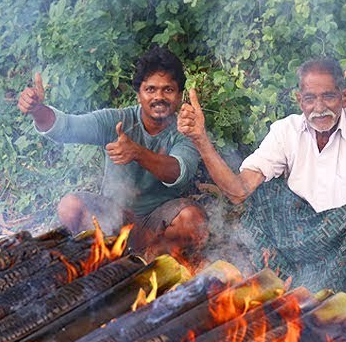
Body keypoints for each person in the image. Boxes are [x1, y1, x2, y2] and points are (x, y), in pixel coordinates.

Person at [177, 58, 346, 300]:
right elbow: (239, 191)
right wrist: (200, 140)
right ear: (299, 100)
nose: (319, 107)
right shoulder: (285, 130)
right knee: (263, 196)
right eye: (310, 98)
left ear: (345, 97)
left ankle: (319, 295)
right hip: (301, 238)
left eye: (328, 96)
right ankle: (291, 284)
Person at [17, 46, 206, 254]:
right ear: (138, 95)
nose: (158, 97)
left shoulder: (186, 131)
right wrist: (37, 110)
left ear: (179, 96)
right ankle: (112, 255)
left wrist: (137, 153)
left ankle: (148, 258)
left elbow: (179, 172)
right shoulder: (118, 120)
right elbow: (67, 128)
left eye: (168, 90)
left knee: (192, 220)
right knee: (70, 206)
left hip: (159, 223)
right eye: (150, 89)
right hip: (114, 216)